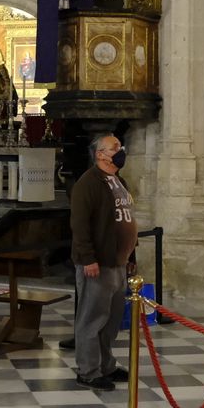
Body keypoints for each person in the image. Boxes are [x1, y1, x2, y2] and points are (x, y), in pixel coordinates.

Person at [70, 133, 137, 390]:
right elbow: (80, 225)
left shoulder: (119, 181)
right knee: (92, 318)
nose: (121, 150)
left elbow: (126, 220)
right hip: (98, 262)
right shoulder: (88, 183)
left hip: (118, 262)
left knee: (110, 320)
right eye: (115, 147)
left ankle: (106, 365)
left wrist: (131, 256)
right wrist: (88, 258)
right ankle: (88, 370)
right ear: (100, 154)